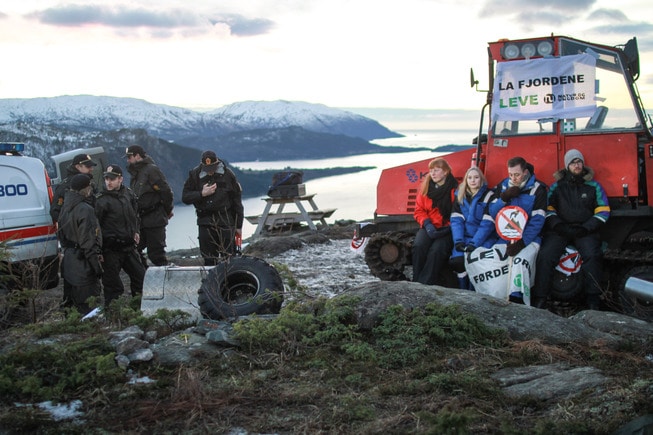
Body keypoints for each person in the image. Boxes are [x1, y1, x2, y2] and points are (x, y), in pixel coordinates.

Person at [533, 149, 610, 310]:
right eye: (573, 162)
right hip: (561, 230)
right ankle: (541, 298)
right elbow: (549, 208)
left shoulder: (594, 186)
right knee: (545, 255)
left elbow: (603, 210)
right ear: (567, 165)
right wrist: (558, 225)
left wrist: (586, 228)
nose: (577, 165)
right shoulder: (557, 186)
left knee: (592, 255)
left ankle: (593, 299)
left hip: (584, 230)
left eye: (579, 162)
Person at [474, 156, 547, 304]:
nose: (514, 178)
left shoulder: (538, 189)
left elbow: (537, 221)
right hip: (505, 237)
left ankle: (517, 297)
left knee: (520, 261)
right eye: (510, 174)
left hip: (529, 239)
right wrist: (504, 198)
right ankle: (494, 296)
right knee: (491, 259)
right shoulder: (503, 185)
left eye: (517, 174)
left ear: (525, 172)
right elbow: (492, 212)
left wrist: (522, 242)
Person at [50, 153, 98, 308]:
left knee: (75, 290)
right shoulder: (66, 187)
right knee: (84, 291)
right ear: (78, 166)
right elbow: (56, 213)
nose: (91, 169)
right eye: (87, 166)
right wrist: (74, 233)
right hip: (80, 244)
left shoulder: (89, 184)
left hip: (85, 238)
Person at [95, 164, 146, 307]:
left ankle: (138, 311)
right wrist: (98, 250)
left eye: (112, 179)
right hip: (111, 250)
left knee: (141, 279)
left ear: (120, 179)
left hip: (129, 247)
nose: (108, 182)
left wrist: (136, 231)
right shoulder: (101, 200)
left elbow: (135, 215)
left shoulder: (128, 194)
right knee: (113, 286)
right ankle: (113, 316)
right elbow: (95, 227)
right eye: (106, 179)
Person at [182, 150, 244, 265]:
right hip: (205, 222)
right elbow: (185, 197)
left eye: (212, 168)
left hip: (225, 221)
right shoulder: (195, 175)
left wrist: (239, 225)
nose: (210, 172)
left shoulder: (228, 174)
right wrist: (201, 194)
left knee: (230, 259)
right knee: (209, 259)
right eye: (207, 169)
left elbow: (237, 201)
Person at [56, 173, 103, 315]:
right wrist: (97, 267)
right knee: (90, 309)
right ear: (86, 188)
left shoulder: (65, 206)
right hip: (84, 266)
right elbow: (88, 243)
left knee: (71, 307)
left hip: (69, 262)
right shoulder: (85, 209)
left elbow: (61, 235)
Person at [449, 166, 498, 290]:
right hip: (465, 238)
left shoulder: (489, 196)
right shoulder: (460, 195)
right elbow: (456, 221)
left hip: (483, 239)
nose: (473, 180)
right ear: (466, 180)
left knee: (475, 261)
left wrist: (474, 243)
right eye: (470, 178)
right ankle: (462, 291)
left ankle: (474, 292)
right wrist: (458, 241)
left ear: (481, 180)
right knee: (457, 261)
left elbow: (487, 224)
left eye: (476, 177)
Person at [125, 145, 174, 267]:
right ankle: (145, 278)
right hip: (141, 220)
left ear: (137, 156)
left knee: (156, 255)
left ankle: (165, 283)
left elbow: (166, 192)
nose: (128, 160)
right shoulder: (136, 172)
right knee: (135, 251)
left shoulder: (151, 170)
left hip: (154, 219)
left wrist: (166, 211)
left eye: (129, 157)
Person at [411, 158, 458, 285]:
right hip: (429, 226)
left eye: (436, 170)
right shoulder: (426, 189)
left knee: (437, 251)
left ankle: (425, 283)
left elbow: (458, 212)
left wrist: (449, 228)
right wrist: (427, 224)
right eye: (431, 170)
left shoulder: (455, 190)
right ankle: (416, 280)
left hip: (447, 228)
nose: (432, 173)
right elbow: (419, 210)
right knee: (419, 246)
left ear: (446, 172)